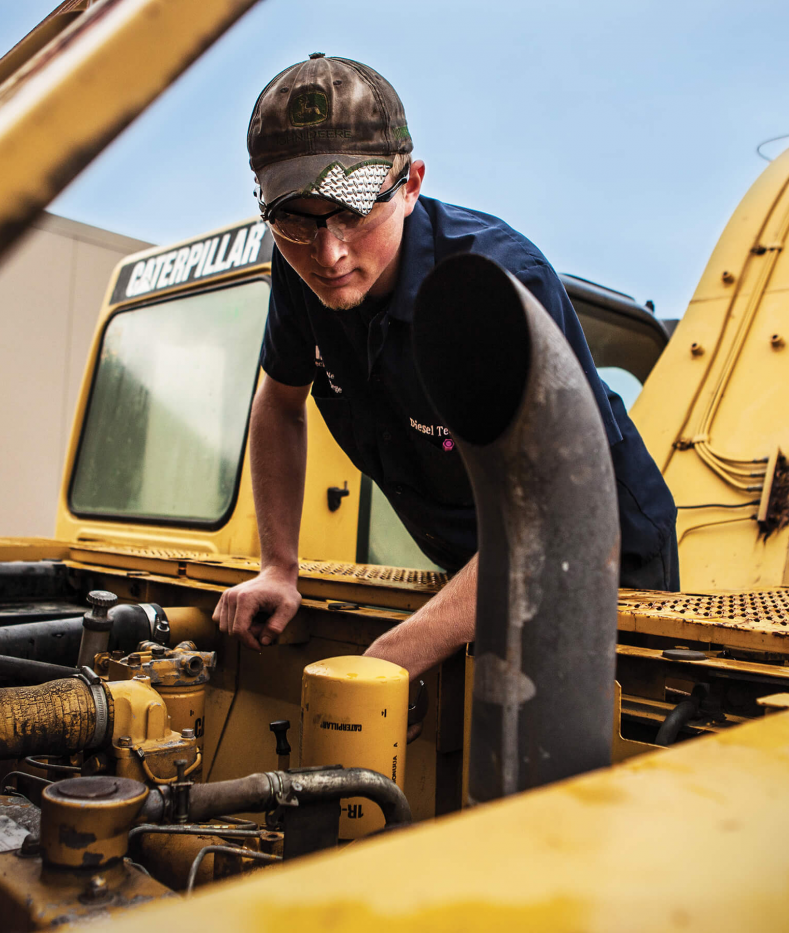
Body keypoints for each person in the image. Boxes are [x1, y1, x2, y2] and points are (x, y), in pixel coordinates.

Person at [215, 53, 677, 681]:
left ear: (411, 185)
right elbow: (279, 403)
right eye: (295, 218)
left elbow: (554, 511)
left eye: (352, 211)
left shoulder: (494, 281)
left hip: (598, 559)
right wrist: (278, 565)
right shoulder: (297, 270)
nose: (328, 253)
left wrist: (392, 654)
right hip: (473, 563)